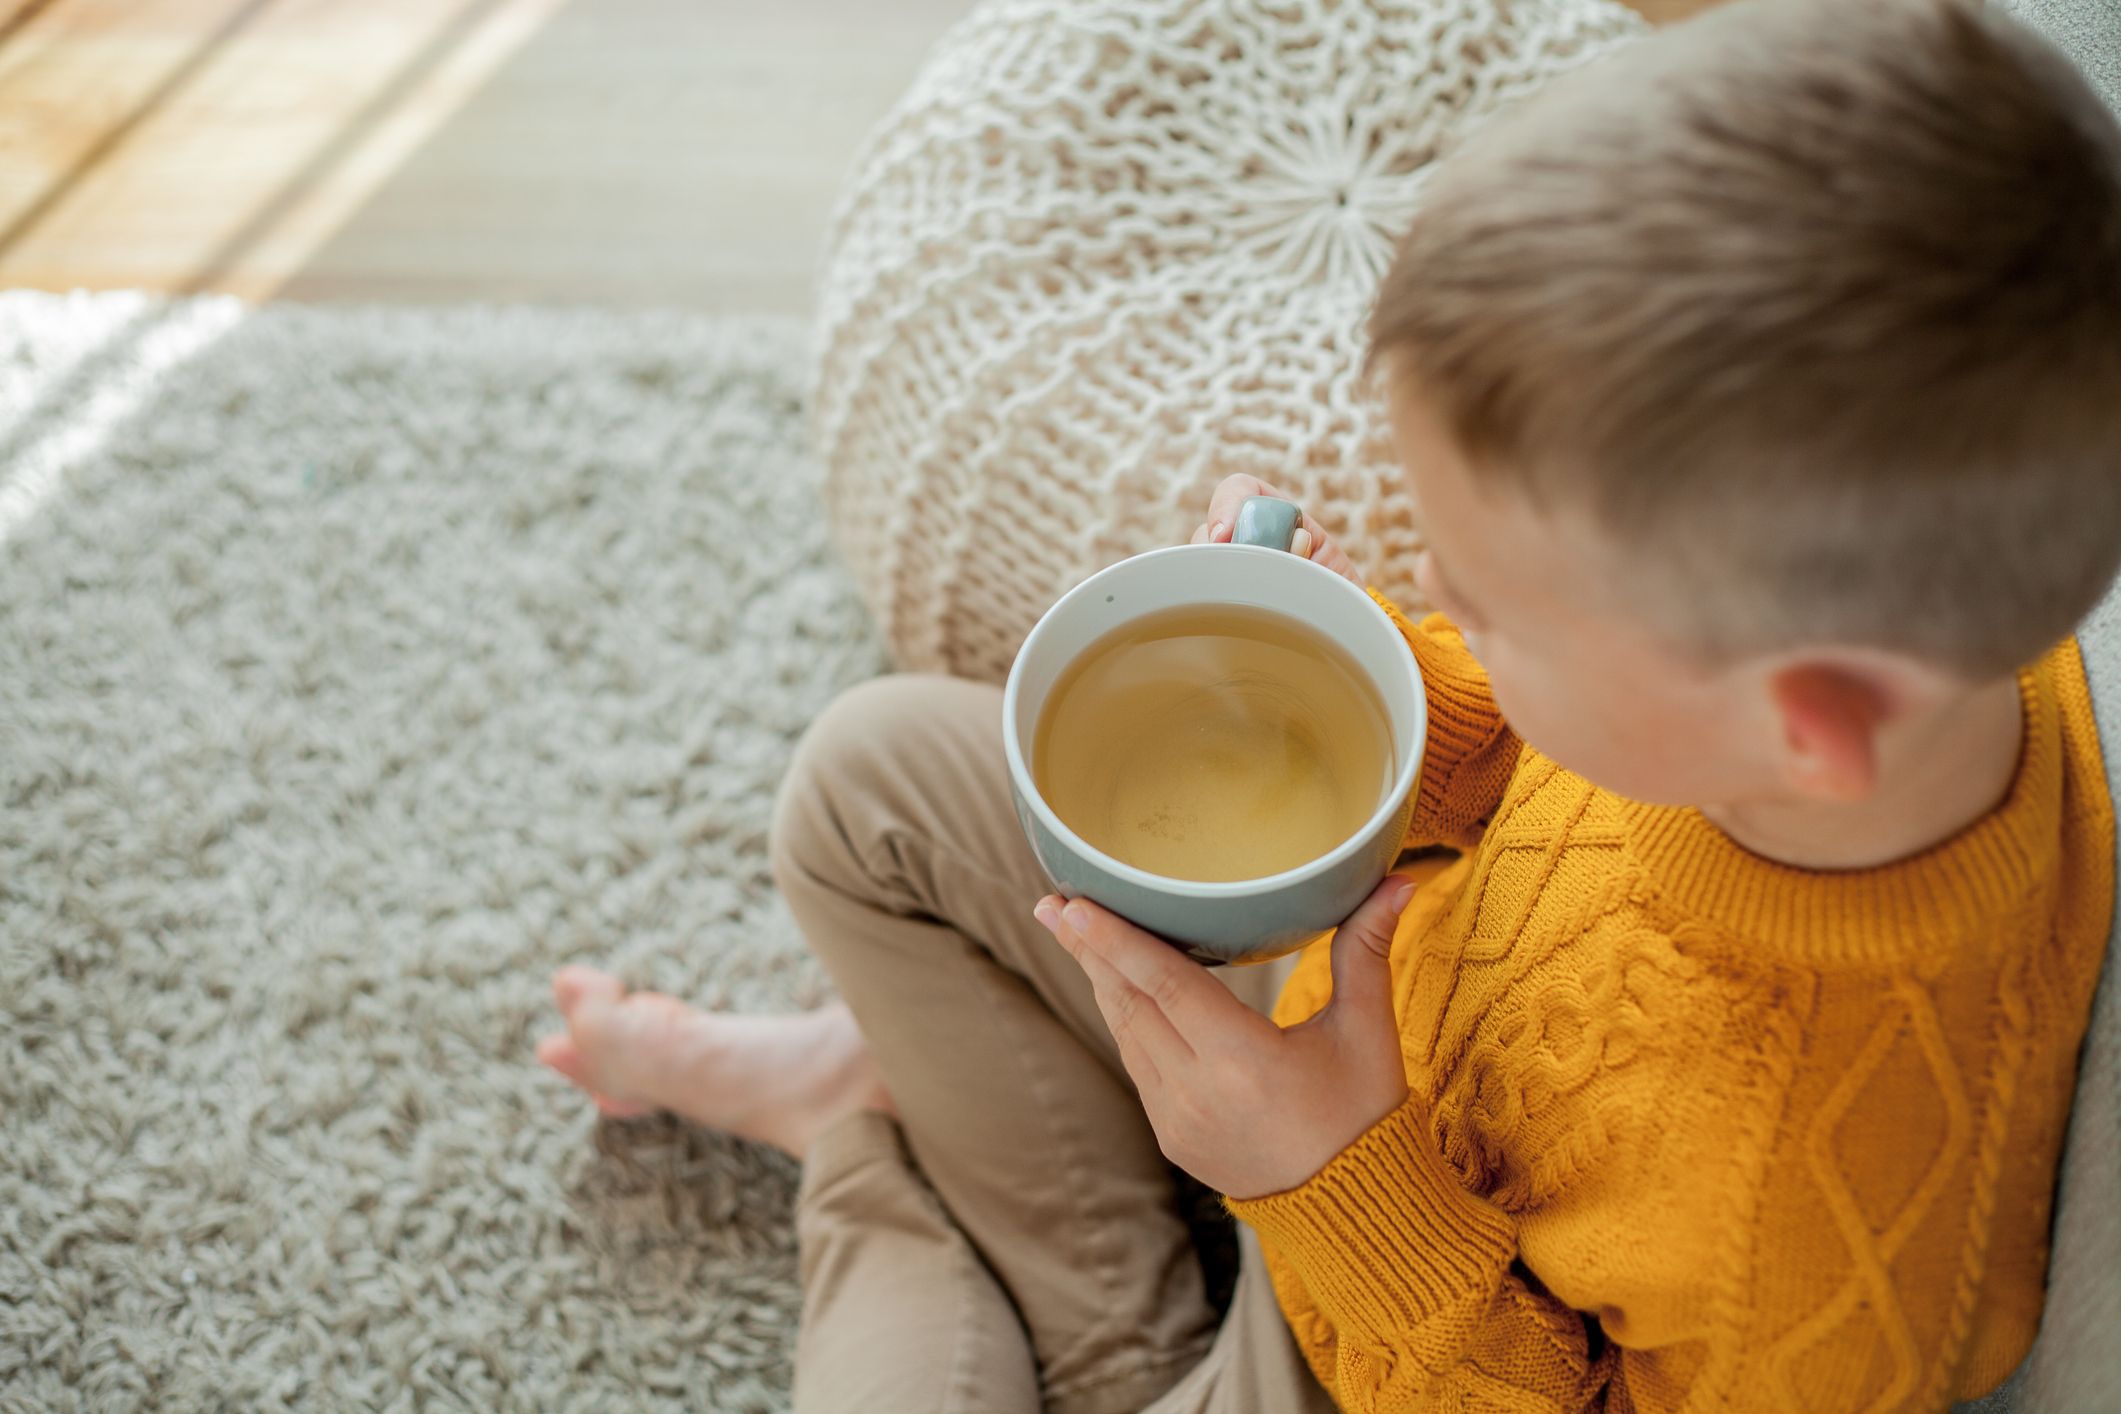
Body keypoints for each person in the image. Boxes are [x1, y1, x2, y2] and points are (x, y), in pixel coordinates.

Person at [535, 0, 2121, 1407]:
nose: (1439, 599)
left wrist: (1329, 1178)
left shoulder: (1820, 1227)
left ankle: (870, 1146)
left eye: (1488, 602)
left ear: (1802, 727)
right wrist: (1375, 676)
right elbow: (1540, 750)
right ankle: (959, 1131)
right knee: (866, 783)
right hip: (1364, 1009)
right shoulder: (1865, 647)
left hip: (1398, 1326)